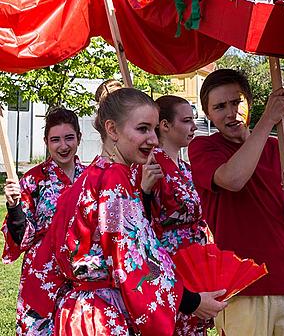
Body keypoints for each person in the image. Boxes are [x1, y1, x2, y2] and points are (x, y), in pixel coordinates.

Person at [22, 87, 226, 336]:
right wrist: (192, 302)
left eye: (153, 129)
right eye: (142, 129)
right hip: (104, 315)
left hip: (82, 312)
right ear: (112, 130)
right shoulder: (113, 180)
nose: (153, 139)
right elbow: (130, 258)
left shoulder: (94, 175)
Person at [188, 68, 284, 336]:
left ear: (249, 103)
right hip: (239, 286)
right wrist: (267, 121)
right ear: (208, 114)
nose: (230, 113)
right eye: (220, 107)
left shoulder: (280, 148)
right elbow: (233, 179)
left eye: (236, 102)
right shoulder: (204, 148)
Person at [1, 107, 86, 335]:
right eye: (55, 139)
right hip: (42, 273)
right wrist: (14, 207)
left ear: (79, 137)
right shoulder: (33, 180)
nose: (63, 146)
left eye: (69, 138)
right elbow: (23, 238)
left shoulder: (90, 178)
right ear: (46, 142)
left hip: (81, 275)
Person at [140, 94, 213, 336]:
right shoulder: (152, 165)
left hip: (196, 259)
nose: (194, 127)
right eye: (187, 120)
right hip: (171, 259)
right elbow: (141, 219)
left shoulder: (185, 167)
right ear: (165, 126)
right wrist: (145, 191)